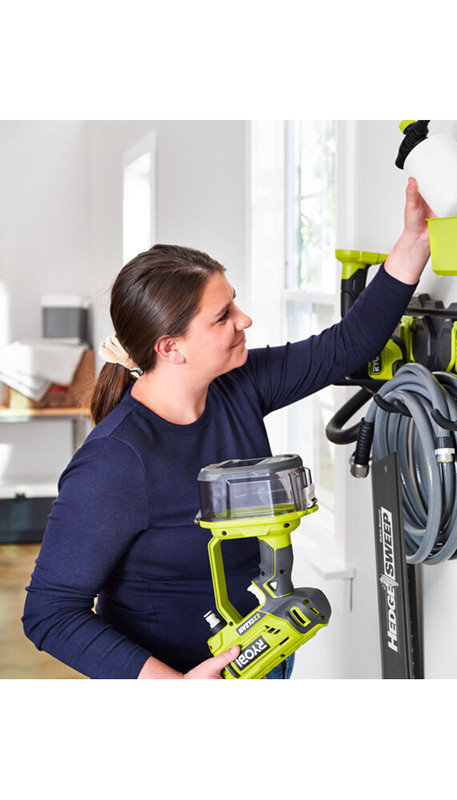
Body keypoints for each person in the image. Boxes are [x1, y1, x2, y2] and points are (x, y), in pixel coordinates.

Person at [22, 177, 433, 679]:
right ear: (170, 347)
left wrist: (415, 242)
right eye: (223, 316)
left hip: (263, 657)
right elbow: (50, 613)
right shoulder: (114, 461)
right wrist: (176, 685)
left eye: (234, 302)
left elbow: (346, 346)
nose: (245, 319)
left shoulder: (238, 385)